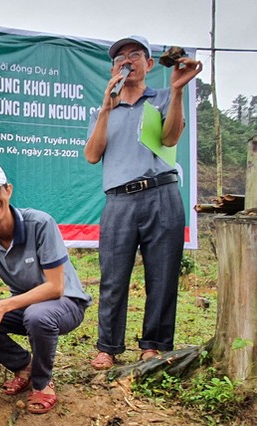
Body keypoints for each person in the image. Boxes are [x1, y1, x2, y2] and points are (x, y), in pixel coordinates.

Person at [84, 36, 202, 370]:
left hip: (161, 194)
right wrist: (107, 106)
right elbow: (92, 155)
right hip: (119, 200)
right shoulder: (103, 110)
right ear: (113, 69)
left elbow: (170, 137)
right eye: (120, 58)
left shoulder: (164, 98)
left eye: (135, 55)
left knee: (163, 274)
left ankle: (155, 345)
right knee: (113, 276)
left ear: (149, 65)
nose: (127, 61)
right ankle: (108, 346)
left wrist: (178, 90)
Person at [0, 163, 92, 414]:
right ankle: (24, 366)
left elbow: (55, 287)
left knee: (38, 315)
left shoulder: (40, 223)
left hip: (66, 304)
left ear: (8, 190)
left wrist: (3, 305)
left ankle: (42, 383)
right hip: (24, 306)